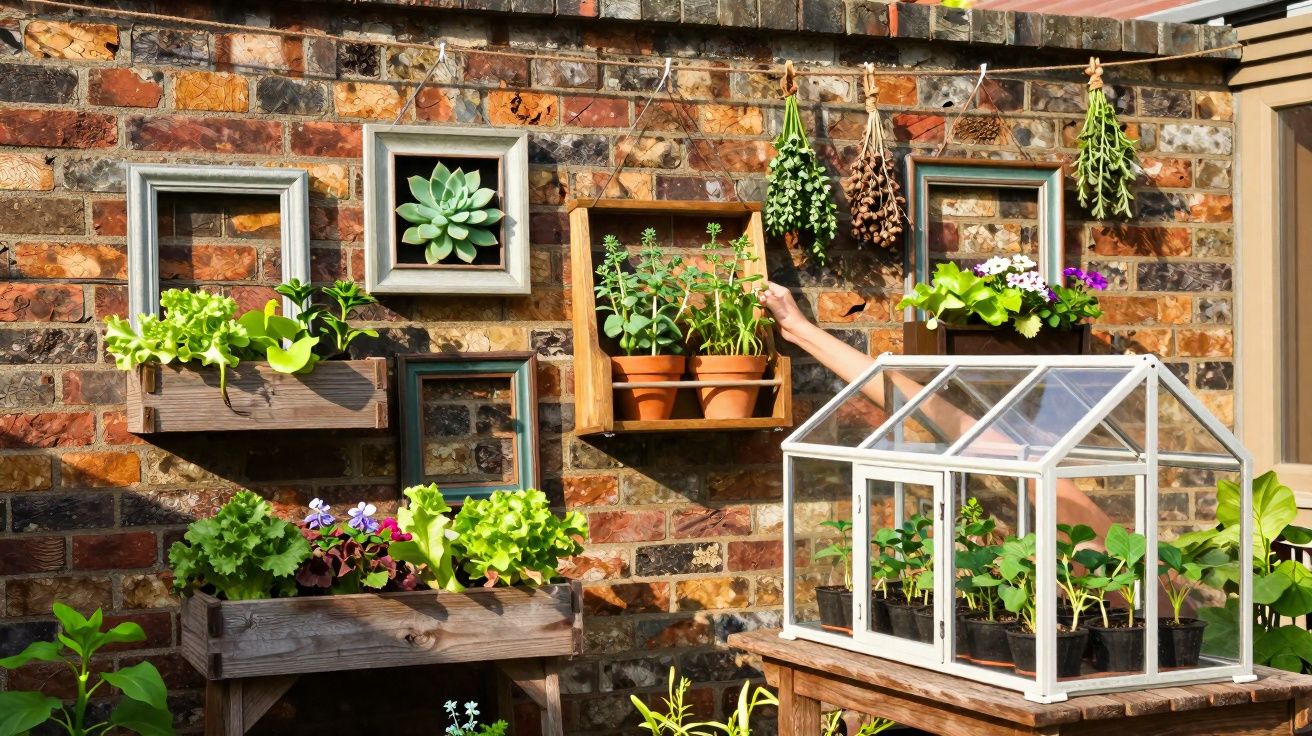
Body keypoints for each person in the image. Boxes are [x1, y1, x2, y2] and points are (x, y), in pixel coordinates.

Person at [758, 281, 1116, 538]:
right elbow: (932, 409)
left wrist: (800, 330)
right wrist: (799, 330)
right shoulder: (1058, 496)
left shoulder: (1091, 532)